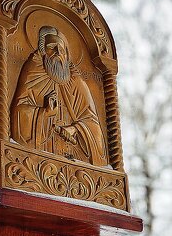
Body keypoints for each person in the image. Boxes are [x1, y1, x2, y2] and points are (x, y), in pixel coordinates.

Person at [10, 25, 109, 166]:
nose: (57, 52)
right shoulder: (33, 71)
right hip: (38, 156)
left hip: (76, 160)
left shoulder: (77, 82)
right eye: (51, 47)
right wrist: (44, 113)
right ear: (43, 51)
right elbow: (18, 113)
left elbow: (94, 125)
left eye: (61, 49)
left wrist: (75, 129)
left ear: (66, 55)